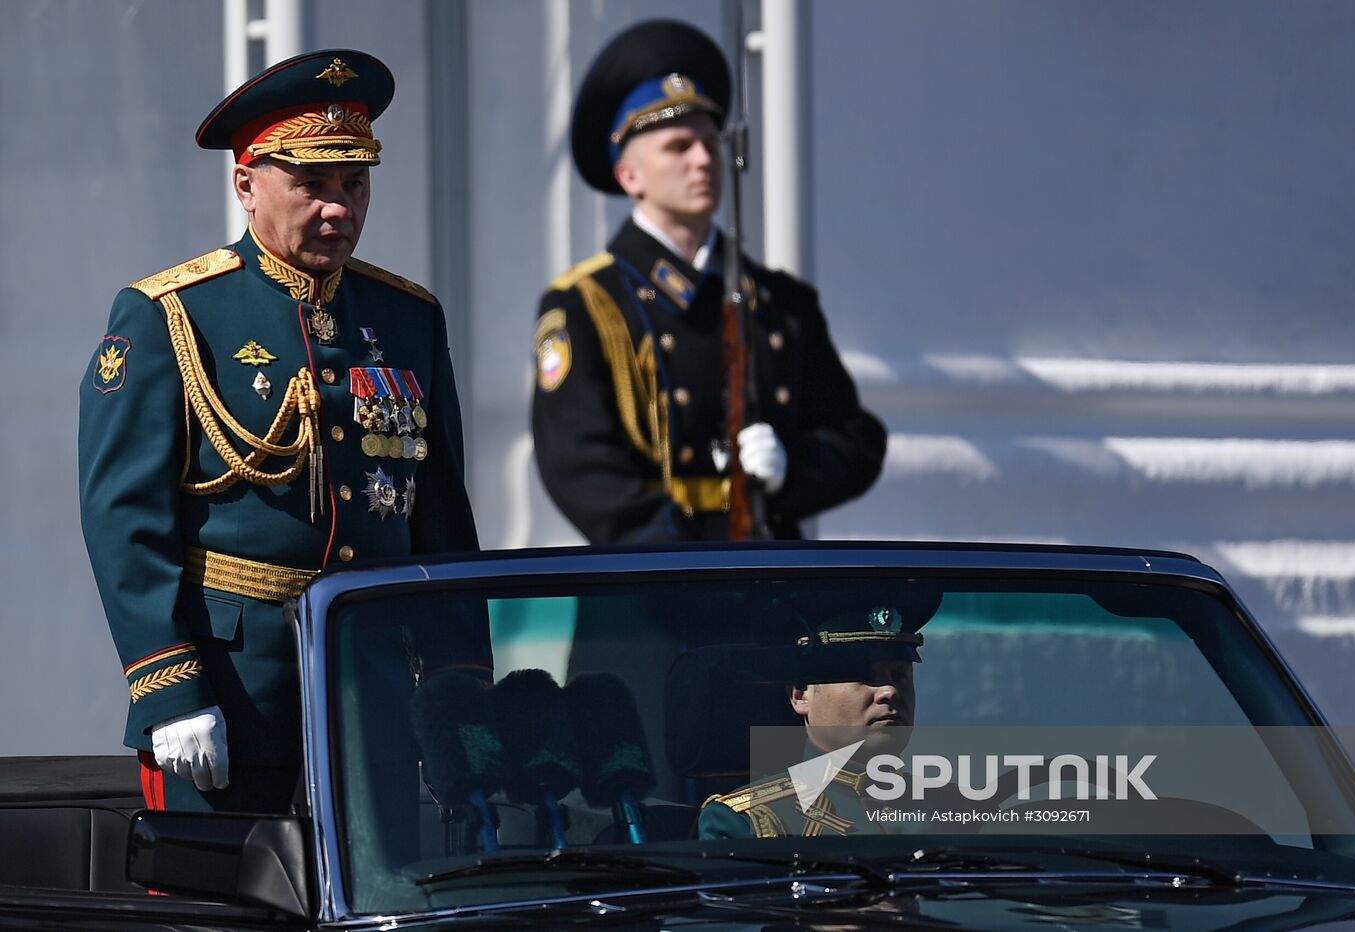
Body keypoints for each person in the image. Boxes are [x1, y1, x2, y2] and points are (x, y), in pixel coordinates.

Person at [78, 49, 490, 814]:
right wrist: (168, 684)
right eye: (311, 185)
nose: (338, 207)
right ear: (247, 185)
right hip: (233, 698)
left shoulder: (407, 318)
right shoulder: (172, 315)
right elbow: (125, 521)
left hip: (377, 692)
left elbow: (440, 519)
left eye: (354, 183)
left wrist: (460, 683)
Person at [532, 19, 886, 543]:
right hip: (651, 593)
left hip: (773, 585)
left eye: (709, 143)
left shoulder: (779, 302)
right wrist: (690, 563)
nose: (703, 159)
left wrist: (792, 470)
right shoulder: (588, 305)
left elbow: (857, 440)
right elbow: (580, 466)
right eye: (679, 146)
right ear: (630, 177)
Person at [696, 590, 930, 838]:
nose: (889, 691)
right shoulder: (749, 821)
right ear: (801, 694)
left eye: (900, 676)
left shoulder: (963, 808)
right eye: (864, 675)